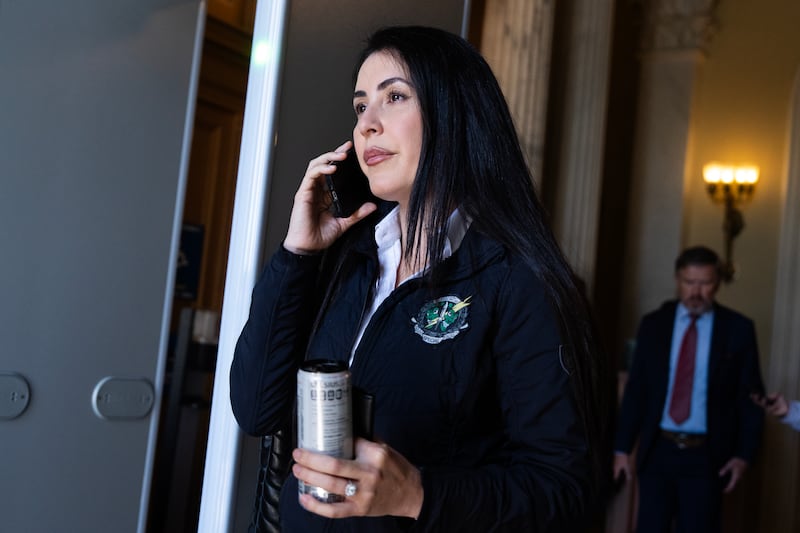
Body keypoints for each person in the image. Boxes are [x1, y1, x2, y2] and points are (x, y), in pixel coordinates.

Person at [230, 25, 607, 532]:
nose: (368, 125)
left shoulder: (517, 279)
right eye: (361, 106)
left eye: (396, 97)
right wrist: (296, 256)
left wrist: (417, 495)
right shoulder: (348, 257)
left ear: (455, 115)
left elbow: (564, 494)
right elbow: (256, 410)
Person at [613, 245, 765, 533]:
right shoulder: (654, 325)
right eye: (689, 282)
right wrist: (621, 448)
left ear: (717, 283)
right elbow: (637, 391)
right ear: (677, 280)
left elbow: (751, 399)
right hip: (658, 451)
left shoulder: (738, 329)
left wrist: (743, 456)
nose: (696, 292)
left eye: (705, 283)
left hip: (707, 457)